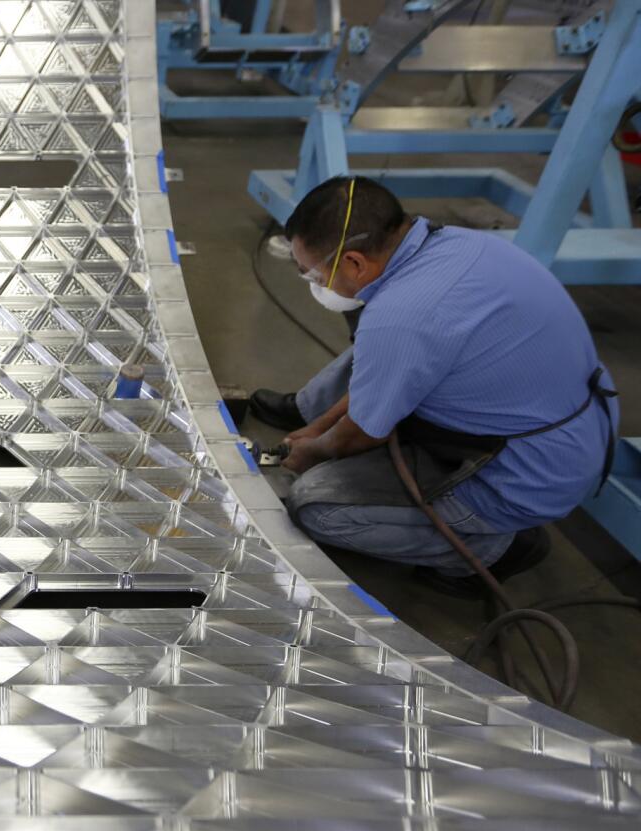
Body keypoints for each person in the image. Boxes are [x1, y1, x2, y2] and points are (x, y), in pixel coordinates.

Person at [249, 176, 618, 597]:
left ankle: (495, 547)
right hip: (572, 416)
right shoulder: (450, 242)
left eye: (312, 273)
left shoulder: (402, 316)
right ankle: (307, 408)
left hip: (525, 473)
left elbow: (364, 433)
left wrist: (313, 450)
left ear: (354, 263)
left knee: (314, 507)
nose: (315, 284)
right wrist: (317, 427)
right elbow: (397, 366)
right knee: (378, 349)